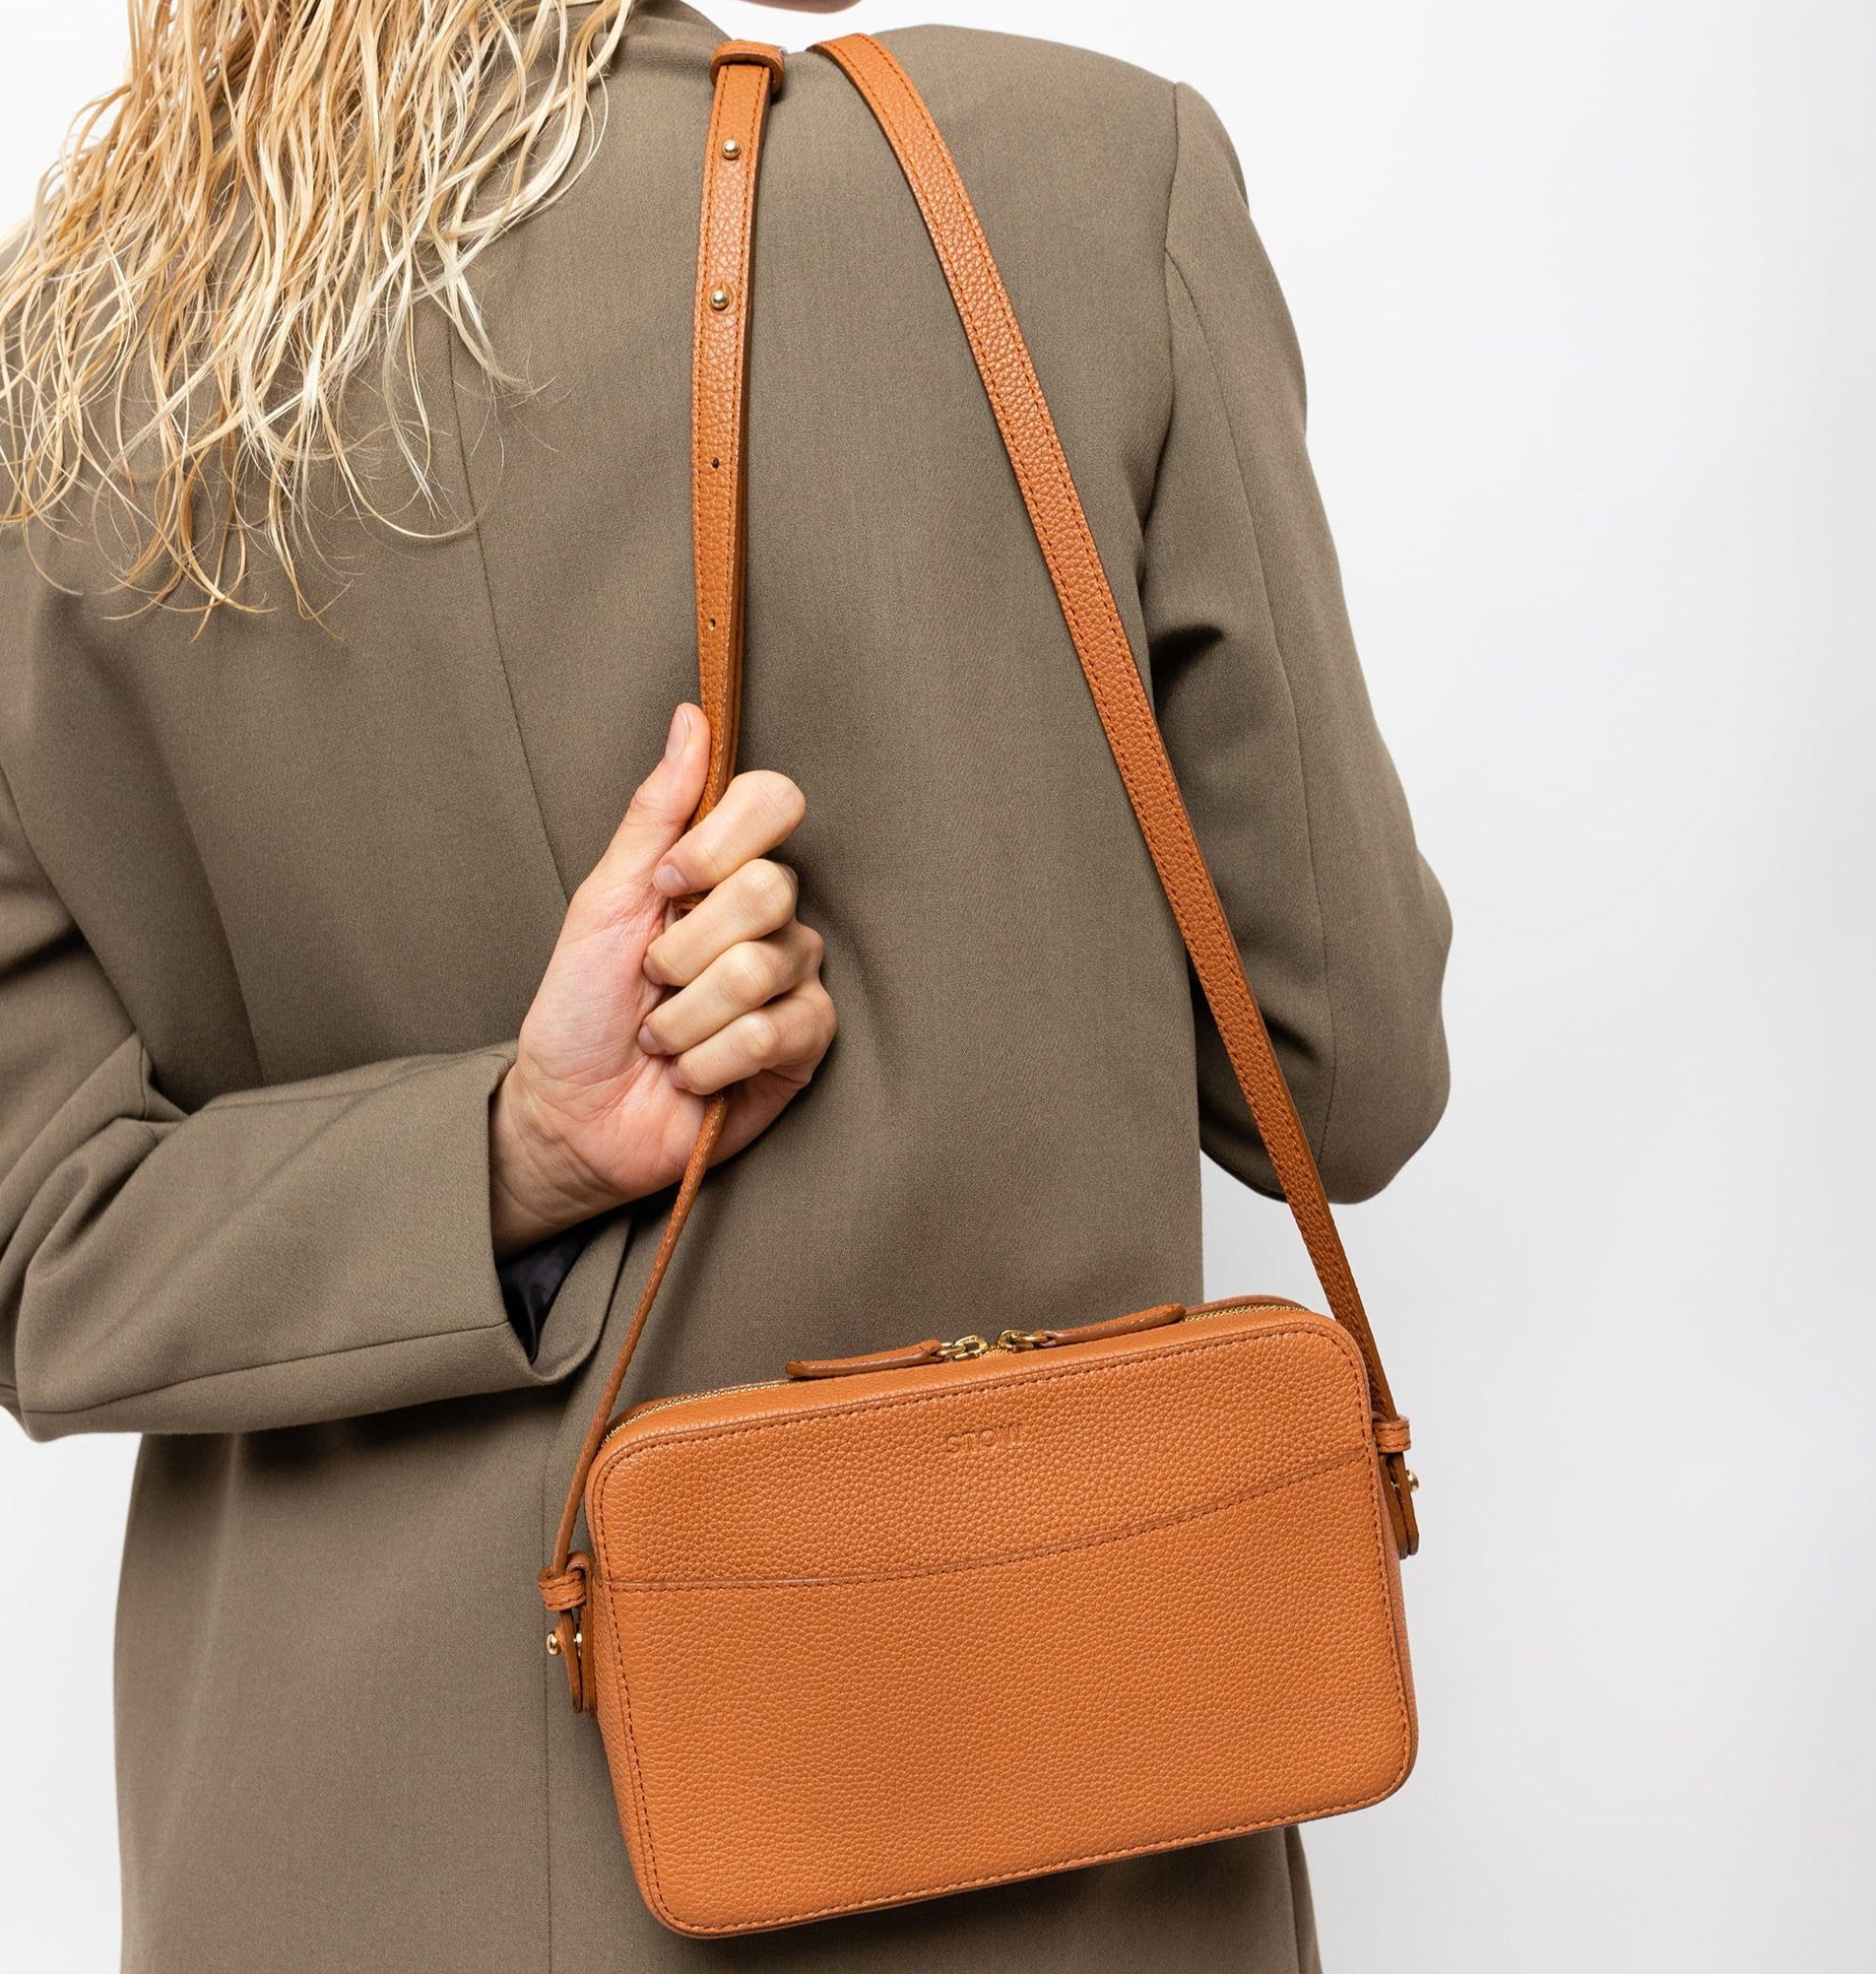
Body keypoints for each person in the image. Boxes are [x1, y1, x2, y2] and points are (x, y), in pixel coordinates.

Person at [0, 4, 1451, 1968]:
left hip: (337, 1867)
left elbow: (44, 1246)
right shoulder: (1068, 180)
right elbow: (1343, 1074)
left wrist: (503, 1158)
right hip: (1028, 1809)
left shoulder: (62, 393)